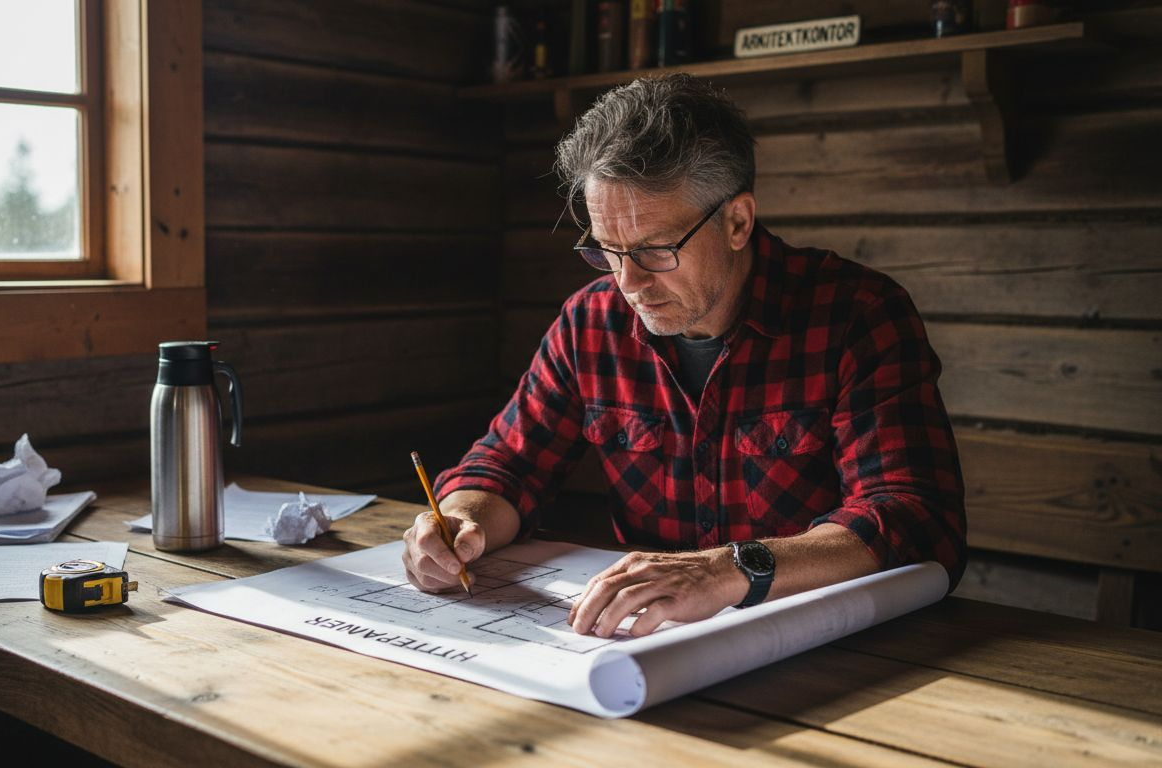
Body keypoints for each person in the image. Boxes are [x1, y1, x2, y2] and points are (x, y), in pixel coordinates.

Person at [402, 74, 965, 638]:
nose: (629, 283)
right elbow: (507, 465)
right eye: (607, 251)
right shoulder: (591, 322)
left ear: (737, 222)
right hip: (644, 646)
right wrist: (462, 519)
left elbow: (914, 517)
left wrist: (728, 569)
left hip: (833, 646)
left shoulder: (857, 314)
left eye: (654, 250)